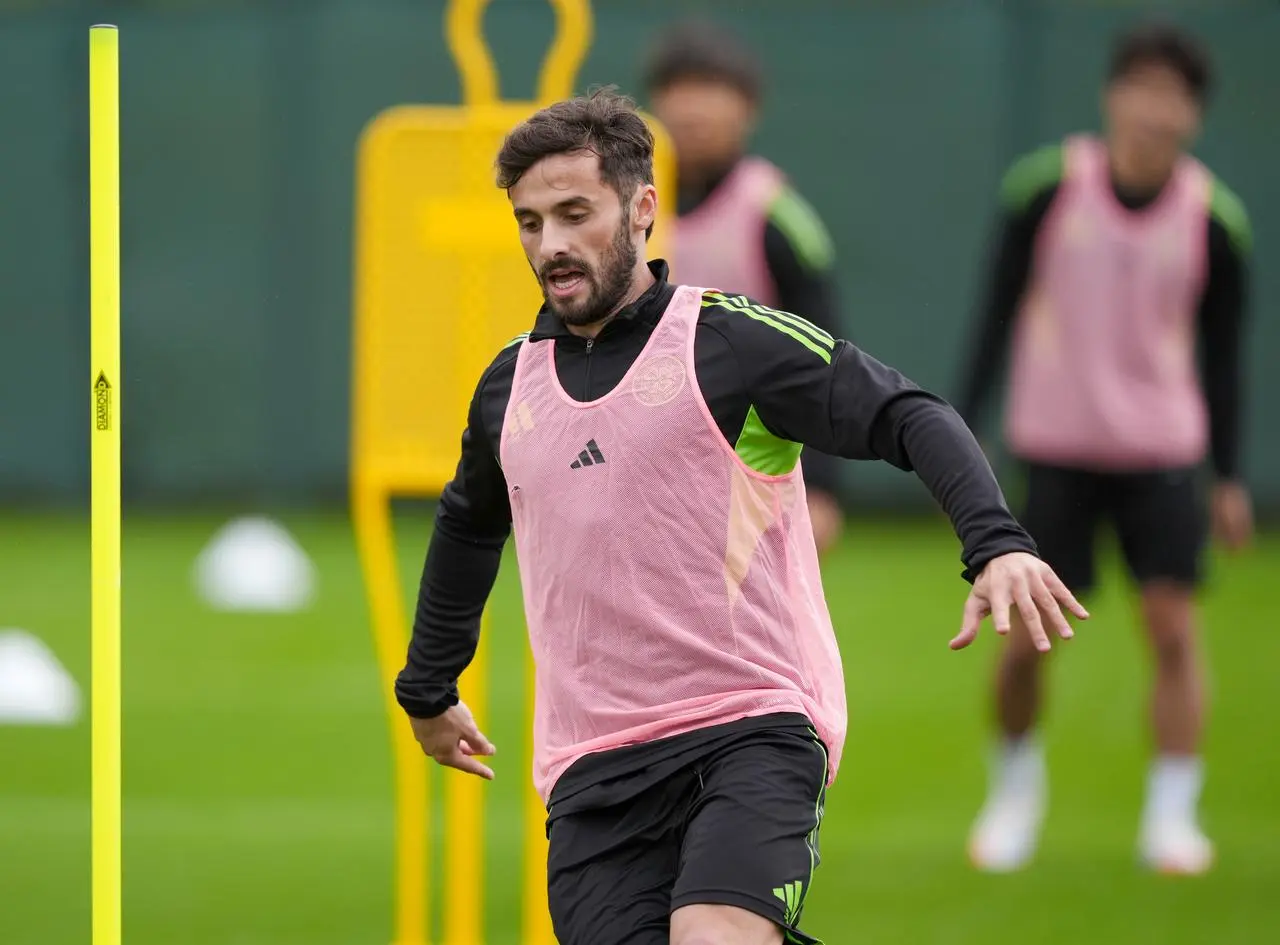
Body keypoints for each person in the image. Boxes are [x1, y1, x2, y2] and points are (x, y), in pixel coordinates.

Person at [395, 88, 1085, 945]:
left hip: (750, 724)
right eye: (531, 222)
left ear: (643, 208)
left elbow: (909, 412)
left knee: (717, 935)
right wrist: (428, 686)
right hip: (591, 766)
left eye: (576, 213)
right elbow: (468, 524)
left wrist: (995, 544)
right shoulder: (508, 387)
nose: (552, 246)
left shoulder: (725, 343)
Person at [954, 22, 1253, 876]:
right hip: (1055, 450)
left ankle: (1171, 816)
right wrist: (963, 425)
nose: (1155, 109)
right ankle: (1013, 795)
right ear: (1112, 94)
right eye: (1142, 87)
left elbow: (1224, 358)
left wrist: (1228, 474)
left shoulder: (1214, 219)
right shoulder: (1047, 189)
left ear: (1194, 113)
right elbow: (994, 308)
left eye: (1175, 95)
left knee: (1172, 632)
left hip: (1161, 455)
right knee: (1024, 641)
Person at [640, 18, 848, 555]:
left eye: (711, 90)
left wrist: (823, 486)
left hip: (751, 471)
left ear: (748, 108)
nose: (691, 110)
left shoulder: (775, 214)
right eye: (679, 90)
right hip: (641, 463)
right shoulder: (624, 209)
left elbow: (826, 351)